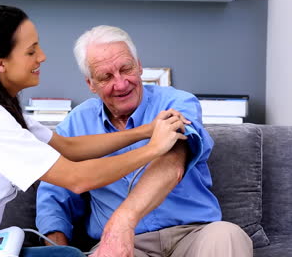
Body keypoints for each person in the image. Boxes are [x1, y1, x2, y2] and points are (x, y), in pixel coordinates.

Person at [0, 6, 189, 257]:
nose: (42, 57)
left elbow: (69, 147)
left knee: (66, 255)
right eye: (31, 51)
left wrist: (146, 131)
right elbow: (77, 178)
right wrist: (153, 149)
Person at [36, 25, 254, 257]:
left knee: (227, 235)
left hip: (192, 234)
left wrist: (123, 220)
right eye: (106, 77)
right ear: (90, 84)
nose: (120, 84)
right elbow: (54, 195)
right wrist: (57, 250)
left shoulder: (178, 103)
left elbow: (173, 164)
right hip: (123, 245)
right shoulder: (76, 124)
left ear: (139, 66)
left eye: (126, 69)